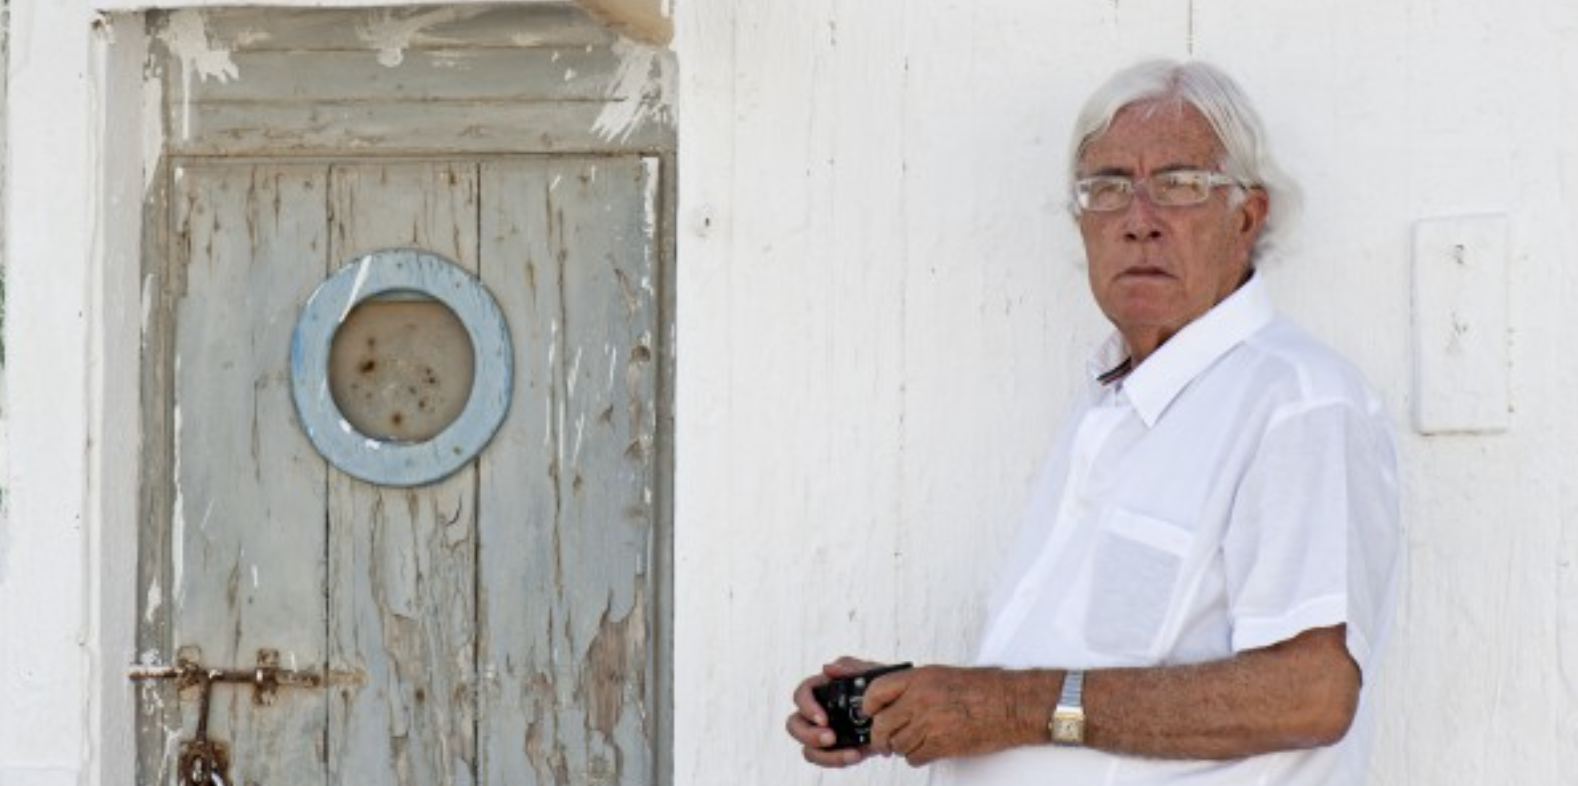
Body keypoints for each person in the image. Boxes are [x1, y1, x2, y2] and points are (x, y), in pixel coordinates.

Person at [786, 59, 1400, 786]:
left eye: (1179, 185)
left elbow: (1312, 693)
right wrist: (921, 705)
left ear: (1247, 215)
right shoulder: (1110, 405)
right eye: (1107, 190)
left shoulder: (1294, 400)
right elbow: (1071, 681)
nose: (1139, 222)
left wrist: (1007, 707)